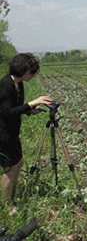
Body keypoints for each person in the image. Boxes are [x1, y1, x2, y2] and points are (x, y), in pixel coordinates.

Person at [1, 53, 53, 209]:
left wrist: (29, 110)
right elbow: (6, 113)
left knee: (18, 163)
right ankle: (7, 205)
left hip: (12, 132)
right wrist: (32, 102)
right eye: (32, 72)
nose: (33, 75)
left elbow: (16, 108)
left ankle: (9, 196)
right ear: (22, 70)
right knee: (10, 167)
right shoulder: (5, 85)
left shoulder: (18, 84)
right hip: (3, 134)